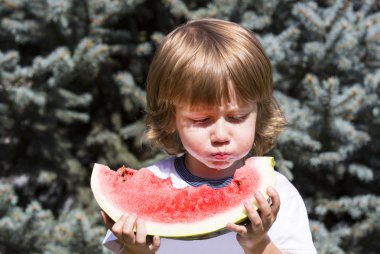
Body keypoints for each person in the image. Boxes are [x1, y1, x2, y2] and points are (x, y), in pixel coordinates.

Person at [101, 18, 317, 254]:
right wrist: (136, 251)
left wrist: (259, 243)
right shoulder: (143, 188)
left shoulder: (277, 194)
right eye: (201, 120)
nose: (221, 135)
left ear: (259, 113)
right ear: (171, 117)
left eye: (237, 117)